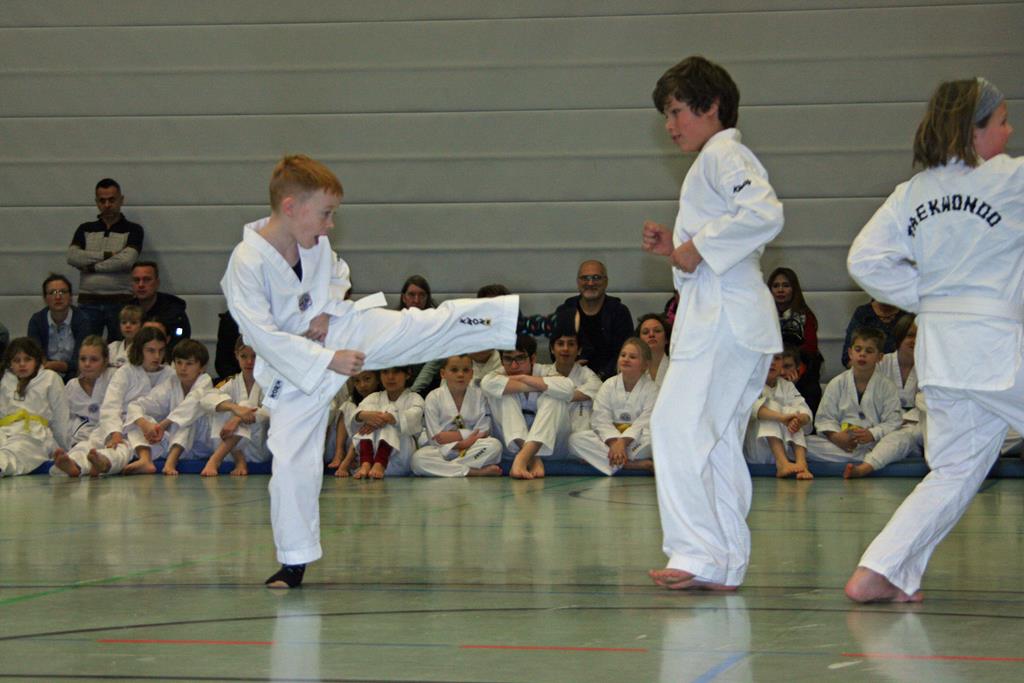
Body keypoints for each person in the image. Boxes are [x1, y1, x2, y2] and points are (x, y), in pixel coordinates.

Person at [220, 154, 517, 588]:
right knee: (292, 460)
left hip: (337, 328)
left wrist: (327, 309)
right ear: (291, 207)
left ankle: (500, 320)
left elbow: (337, 273)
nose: (330, 225)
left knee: (414, 325)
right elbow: (261, 336)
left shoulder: (314, 241)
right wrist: (327, 359)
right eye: (325, 214)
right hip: (293, 368)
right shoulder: (247, 262)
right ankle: (294, 560)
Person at [844, 77, 1019, 603]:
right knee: (953, 469)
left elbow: (864, 261)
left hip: (940, 351)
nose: (1010, 131)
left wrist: (931, 297)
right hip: (996, 346)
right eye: (1002, 121)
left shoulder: (913, 192)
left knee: (953, 470)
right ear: (973, 130)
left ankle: (879, 571)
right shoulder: (1012, 180)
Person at [641, 56, 783, 591]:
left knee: (674, 426)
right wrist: (677, 249)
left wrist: (697, 247)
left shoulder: (724, 153)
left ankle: (697, 551)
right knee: (716, 441)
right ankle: (724, 561)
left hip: (724, 317)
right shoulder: (714, 161)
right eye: (666, 115)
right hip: (730, 315)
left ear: (711, 106)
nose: (670, 125)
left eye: (677, 111)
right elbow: (723, 237)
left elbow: (764, 213)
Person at [65, 327, 174, 478]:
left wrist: (151, 426)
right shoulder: (126, 371)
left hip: (152, 431)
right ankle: (74, 463)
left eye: (160, 351)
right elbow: (111, 405)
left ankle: (104, 463)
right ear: (139, 350)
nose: (156, 356)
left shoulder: (170, 375)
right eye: (151, 351)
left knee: (122, 449)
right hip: (120, 424)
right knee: (93, 442)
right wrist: (115, 432)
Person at [480, 335, 576, 479]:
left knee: (554, 397)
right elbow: (486, 384)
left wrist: (524, 378)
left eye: (520, 358)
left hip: (552, 448)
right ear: (501, 360)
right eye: (508, 359)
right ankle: (532, 458)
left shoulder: (546, 371)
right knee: (503, 395)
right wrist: (540, 385)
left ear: (533, 359)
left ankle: (522, 458)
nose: (514, 366)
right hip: (512, 448)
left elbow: (569, 389)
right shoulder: (495, 376)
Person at [806, 327, 902, 463]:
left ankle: (870, 458)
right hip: (841, 443)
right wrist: (836, 437)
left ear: (880, 357)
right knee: (804, 443)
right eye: (858, 349)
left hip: (873, 443)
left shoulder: (887, 386)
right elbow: (825, 418)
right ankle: (870, 460)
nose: (862, 354)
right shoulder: (837, 383)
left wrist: (873, 434)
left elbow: (893, 421)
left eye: (869, 351)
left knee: (899, 441)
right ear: (850, 353)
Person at [845, 315, 923, 478]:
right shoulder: (880, 363)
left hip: (914, 428)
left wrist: (900, 421)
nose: (914, 341)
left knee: (904, 437)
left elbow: (930, 406)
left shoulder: (931, 368)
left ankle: (865, 468)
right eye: (909, 335)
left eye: (920, 335)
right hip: (878, 425)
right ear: (899, 337)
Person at [67, 178, 144, 340]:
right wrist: (109, 255)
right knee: (87, 349)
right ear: (96, 202)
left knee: (122, 350)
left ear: (121, 200)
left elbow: (126, 261)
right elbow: (73, 257)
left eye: (112, 200)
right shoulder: (85, 229)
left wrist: (92, 267)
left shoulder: (134, 230)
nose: (107, 205)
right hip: (88, 303)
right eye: (102, 201)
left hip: (121, 302)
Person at [124, 338, 214, 476]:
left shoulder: (205, 381)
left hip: (200, 445)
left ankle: (170, 463)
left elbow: (191, 404)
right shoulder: (171, 383)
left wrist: (162, 425)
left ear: (202, 367)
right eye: (179, 362)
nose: (183, 368)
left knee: (188, 418)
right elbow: (137, 405)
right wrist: (145, 424)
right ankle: (145, 459)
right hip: (175, 443)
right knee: (137, 422)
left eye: (189, 364)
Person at [568, 338, 657, 475]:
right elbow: (600, 420)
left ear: (645, 365)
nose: (626, 359)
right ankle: (633, 464)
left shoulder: (652, 389)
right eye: (623, 355)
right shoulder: (608, 385)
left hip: (636, 442)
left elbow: (645, 422)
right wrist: (614, 443)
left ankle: (603, 459)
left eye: (632, 357)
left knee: (653, 441)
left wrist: (623, 442)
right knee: (575, 440)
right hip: (611, 441)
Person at [411, 355, 504, 478]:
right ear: (443, 373)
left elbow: (483, 431)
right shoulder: (433, 397)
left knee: (494, 445)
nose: (460, 374)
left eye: (466, 370)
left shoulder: (480, 395)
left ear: (471, 373)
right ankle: (473, 471)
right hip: (442, 451)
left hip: (472, 449)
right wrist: (463, 441)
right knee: (418, 459)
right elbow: (436, 438)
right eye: (454, 370)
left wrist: (454, 437)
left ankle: (447, 469)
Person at [199, 337, 270, 477]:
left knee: (245, 406)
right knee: (221, 405)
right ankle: (238, 459)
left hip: (257, 449)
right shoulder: (231, 382)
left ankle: (215, 460)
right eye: (244, 356)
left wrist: (238, 417)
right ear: (236, 355)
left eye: (254, 356)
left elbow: (269, 411)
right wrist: (234, 408)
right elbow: (206, 399)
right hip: (229, 453)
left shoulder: (269, 382)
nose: (249, 362)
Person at [553, 260, 635, 379]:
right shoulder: (565, 311)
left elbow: (626, 351)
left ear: (606, 282)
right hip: (571, 379)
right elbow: (556, 349)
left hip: (612, 380)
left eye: (596, 278)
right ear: (578, 282)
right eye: (585, 278)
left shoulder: (619, 312)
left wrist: (599, 378)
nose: (590, 283)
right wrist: (570, 369)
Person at [0, 338, 70, 477]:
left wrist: (65, 448)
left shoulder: (50, 378)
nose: (22, 364)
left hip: (34, 435)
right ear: (10, 363)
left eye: (27, 359)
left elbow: (61, 417)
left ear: (37, 360)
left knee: (18, 449)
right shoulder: (5, 380)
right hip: (5, 431)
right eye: (16, 360)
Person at [745, 348, 813, 479]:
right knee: (771, 409)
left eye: (776, 358)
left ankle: (801, 463)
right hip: (758, 450)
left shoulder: (787, 386)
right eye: (767, 358)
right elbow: (755, 409)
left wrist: (799, 419)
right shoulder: (750, 384)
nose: (772, 362)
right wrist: (783, 418)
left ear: (782, 363)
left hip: (785, 446)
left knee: (795, 414)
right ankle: (782, 463)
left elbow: (805, 411)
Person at [767, 267, 824, 414]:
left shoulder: (805, 315)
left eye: (786, 285)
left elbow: (811, 349)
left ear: (794, 289)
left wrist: (794, 368)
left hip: (799, 365)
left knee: (811, 390)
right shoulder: (762, 314)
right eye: (776, 286)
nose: (780, 290)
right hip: (769, 364)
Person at [350, 366, 423, 479]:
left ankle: (380, 463)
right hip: (372, 457)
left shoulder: (415, 398)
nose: (390, 377)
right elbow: (354, 421)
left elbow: (414, 418)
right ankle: (365, 463)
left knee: (390, 411)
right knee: (368, 411)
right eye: (385, 372)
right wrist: (364, 416)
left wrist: (391, 418)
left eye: (396, 372)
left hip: (401, 457)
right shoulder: (374, 397)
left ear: (408, 374)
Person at [27, 274, 91, 381]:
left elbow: (84, 359)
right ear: (45, 298)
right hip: (45, 375)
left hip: (76, 376)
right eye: (52, 292)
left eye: (62, 292)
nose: (58, 297)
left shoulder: (83, 320)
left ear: (71, 297)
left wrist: (60, 366)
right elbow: (35, 357)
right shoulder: (37, 321)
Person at [395, 275, 444, 396]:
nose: (416, 300)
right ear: (404, 298)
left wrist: (412, 393)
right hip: (398, 386)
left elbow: (432, 366)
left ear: (427, 298)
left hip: (430, 388)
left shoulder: (437, 324)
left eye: (421, 295)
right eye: (411, 295)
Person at [327, 370, 380, 477]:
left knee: (367, 417)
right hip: (352, 446)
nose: (362, 385)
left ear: (378, 379)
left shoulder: (383, 398)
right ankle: (339, 453)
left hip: (373, 448)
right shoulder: (352, 401)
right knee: (347, 406)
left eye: (367, 379)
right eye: (357, 381)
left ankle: (349, 460)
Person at [129, 261, 191, 350]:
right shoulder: (126, 311)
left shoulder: (174, 312)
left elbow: (181, 344)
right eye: (136, 280)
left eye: (147, 280)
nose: (141, 285)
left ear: (157, 283)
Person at [840, 299, 904, 368]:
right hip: (865, 371)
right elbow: (847, 358)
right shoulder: (863, 313)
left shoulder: (908, 313)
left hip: (900, 370)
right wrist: (866, 370)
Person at [636, 313, 671, 388]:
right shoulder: (633, 370)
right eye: (645, 332)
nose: (651, 334)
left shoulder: (677, 367)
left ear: (666, 339)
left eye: (657, 331)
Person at [108, 305, 142, 369]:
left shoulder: (143, 349)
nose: (128, 326)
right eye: (124, 322)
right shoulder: (112, 347)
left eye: (133, 323)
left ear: (141, 326)